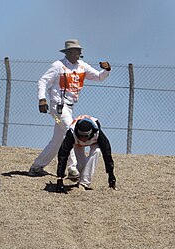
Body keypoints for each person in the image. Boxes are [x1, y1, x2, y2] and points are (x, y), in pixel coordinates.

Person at [28, 39, 111, 177]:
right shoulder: (58, 66)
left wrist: (107, 70)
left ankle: (37, 166)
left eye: (78, 52)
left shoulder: (82, 67)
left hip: (69, 108)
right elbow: (43, 81)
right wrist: (42, 99)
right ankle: (72, 168)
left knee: (57, 141)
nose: (77, 54)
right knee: (70, 131)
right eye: (73, 51)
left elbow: (98, 77)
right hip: (56, 109)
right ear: (67, 53)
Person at [55, 115, 117, 192]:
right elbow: (62, 155)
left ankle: (84, 183)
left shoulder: (98, 133)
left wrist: (111, 175)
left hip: (93, 142)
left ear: (91, 133)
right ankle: (81, 180)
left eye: (86, 136)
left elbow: (107, 154)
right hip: (77, 143)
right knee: (81, 165)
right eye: (81, 136)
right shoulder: (71, 134)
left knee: (96, 151)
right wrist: (60, 179)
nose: (83, 139)